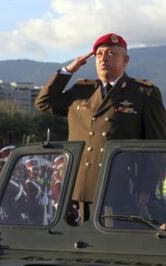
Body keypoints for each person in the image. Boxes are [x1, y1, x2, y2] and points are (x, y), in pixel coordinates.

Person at [35, 33, 166, 221]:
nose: (104, 58)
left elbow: (155, 148)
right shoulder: (82, 90)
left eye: (112, 53)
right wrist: (67, 71)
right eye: (100, 54)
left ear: (125, 60)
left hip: (119, 188)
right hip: (77, 188)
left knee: (112, 245)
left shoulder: (143, 93)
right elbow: (44, 102)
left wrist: (144, 190)